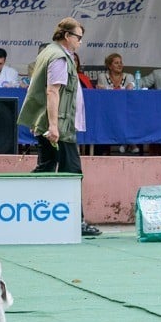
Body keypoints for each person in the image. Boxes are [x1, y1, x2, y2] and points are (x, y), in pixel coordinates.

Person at [17, 17, 101, 238]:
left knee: (46, 168)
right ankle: (76, 221)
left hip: (49, 123)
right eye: (78, 37)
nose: (80, 42)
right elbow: (52, 91)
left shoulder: (49, 52)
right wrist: (54, 127)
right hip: (58, 126)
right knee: (72, 171)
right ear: (67, 36)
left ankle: (23, 210)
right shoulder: (59, 57)